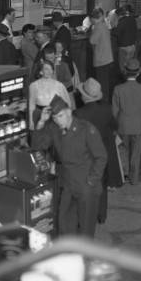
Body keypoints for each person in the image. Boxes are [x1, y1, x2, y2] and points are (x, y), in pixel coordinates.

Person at [32, 95, 107, 236]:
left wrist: (91, 180)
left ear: (69, 112)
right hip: (67, 184)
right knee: (63, 223)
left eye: (60, 116)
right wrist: (41, 122)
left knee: (86, 229)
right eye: (54, 118)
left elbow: (101, 157)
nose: (57, 120)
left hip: (86, 185)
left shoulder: (86, 129)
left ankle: (86, 257)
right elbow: (38, 146)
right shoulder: (54, 129)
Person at [74, 78, 121, 224]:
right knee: (102, 184)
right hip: (104, 153)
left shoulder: (78, 114)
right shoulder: (106, 109)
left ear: (84, 96)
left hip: (87, 156)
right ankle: (102, 215)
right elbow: (115, 125)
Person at [112, 59, 141, 184]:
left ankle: (124, 174)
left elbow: (114, 111)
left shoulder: (118, 89)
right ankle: (134, 179)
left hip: (122, 125)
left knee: (123, 150)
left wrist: (113, 127)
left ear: (125, 72)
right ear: (138, 73)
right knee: (136, 153)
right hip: (138, 126)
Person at [28, 60, 71, 130]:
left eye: (51, 69)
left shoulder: (59, 85)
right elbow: (31, 105)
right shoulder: (33, 86)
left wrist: (67, 121)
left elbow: (67, 104)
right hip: (40, 117)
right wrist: (31, 121)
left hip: (56, 118)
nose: (49, 71)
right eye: (46, 69)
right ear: (41, 72)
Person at [89, 8, 115, 103]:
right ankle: (106, 103)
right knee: (106, 84)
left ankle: (103, 104)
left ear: (92, 18)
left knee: (102, 84)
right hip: (108, 58)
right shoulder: (104, 25)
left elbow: (92, 41)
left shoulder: (98, 26)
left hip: (101, 60)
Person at [112, 6, 138, 75]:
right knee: (130, 65)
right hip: (132, 46)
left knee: (123, 67)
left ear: (119, 15)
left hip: (124, 47)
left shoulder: (122, 21)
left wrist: (114, 27)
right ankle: (130, 80)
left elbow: (116, 33)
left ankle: (124, 81)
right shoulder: (132, 19)